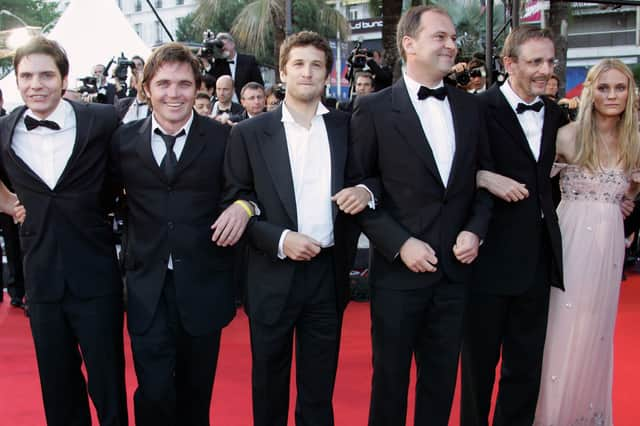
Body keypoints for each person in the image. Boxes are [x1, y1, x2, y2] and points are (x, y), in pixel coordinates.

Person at [349, 6, 492, 425]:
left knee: (441, 382)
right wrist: (400, 244)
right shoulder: (372, 109)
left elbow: (483, 182)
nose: (451, 45)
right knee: (389, 385)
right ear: (409, 44)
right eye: (440, 37)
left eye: (453, 38)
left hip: (455, 273)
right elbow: (359, 190)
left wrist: (475, 231)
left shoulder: (471, 108)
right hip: (398, 277)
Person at [223, 30, 370, 426]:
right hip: (271, 274)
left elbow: (368, 178)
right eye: (299, 64)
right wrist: (282, 240)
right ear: (283, 73)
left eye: (316, 65)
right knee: (269, 386)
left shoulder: (346, 126)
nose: (308, 72)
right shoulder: (249, 133)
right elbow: (236, 200)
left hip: (328, 274)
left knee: (319, 389)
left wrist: (363, 189)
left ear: (328, 73)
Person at [110, 42, 249, 426]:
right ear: (147, 88)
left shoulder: (224, 138)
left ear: (197, 88)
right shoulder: (122, 142)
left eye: (184, 84)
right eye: (164, 83)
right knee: (153, 391)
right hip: (146, 286)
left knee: (195, 393)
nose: (174, 93)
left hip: (204, 285)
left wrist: (243, 207)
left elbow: (246, 190)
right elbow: (102, 196)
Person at [0, 36, 127, 425]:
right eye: (26, 76)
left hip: (96, 277)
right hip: (41, 279)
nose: (35, 85)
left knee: (108, 386)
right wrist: (4, 200)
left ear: (64, 78)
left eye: (45, 75)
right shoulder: (4, 131)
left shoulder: (103, 120)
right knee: (58, 388)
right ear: (16, 81)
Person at [461, 26, 568, 426]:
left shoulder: (555, 113)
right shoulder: (476, 109)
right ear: (509, 64)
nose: (545, 70)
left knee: (525, 368)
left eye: (550, 61)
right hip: (486, 257)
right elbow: (449, 172)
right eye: (535, 61)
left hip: (538, 257)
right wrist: (482, 176)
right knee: (478, 368)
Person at [532, 59, 640, 426]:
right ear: (591, 91)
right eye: (604, 87)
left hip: (609, 240)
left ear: (630, 92)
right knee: (562, 325)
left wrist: (624, 203)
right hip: (570, 235)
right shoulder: (567, 136)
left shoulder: (635, 141)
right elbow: (539, 188)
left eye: (620, 87)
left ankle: (584, 415)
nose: (612, 95)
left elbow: (634, 190)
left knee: (597, 330)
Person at [203, 32, 264, 101]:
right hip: (226, 104)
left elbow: (259, 84)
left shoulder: (249, 61)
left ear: (232, 44)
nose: (223, 48)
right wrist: (205, 63)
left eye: (224, 44)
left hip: (248, 103)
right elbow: (213, 82)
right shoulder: (219, 63)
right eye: (220, 46)